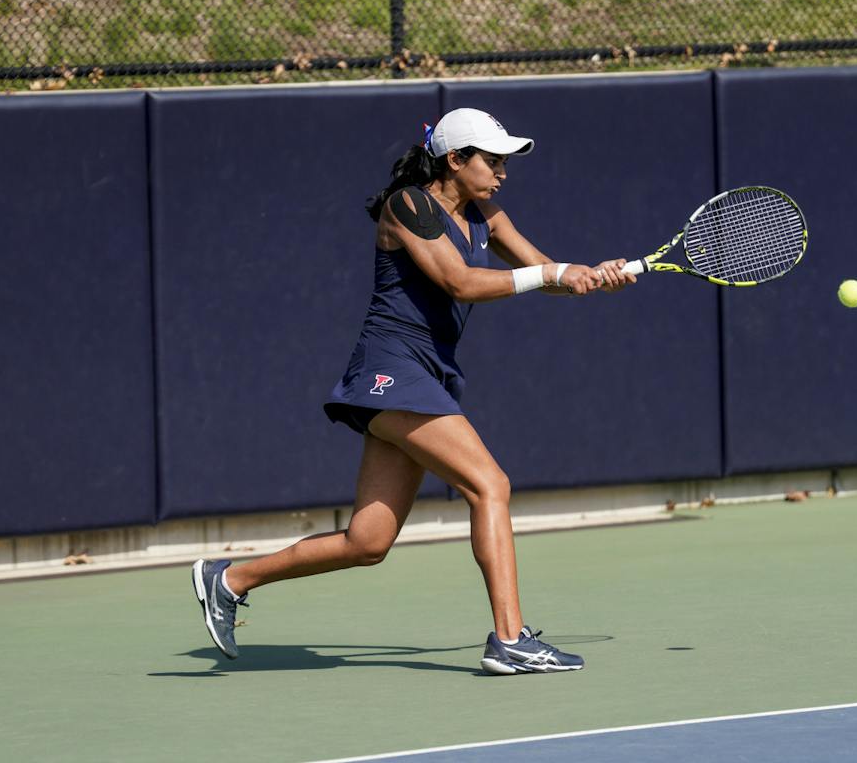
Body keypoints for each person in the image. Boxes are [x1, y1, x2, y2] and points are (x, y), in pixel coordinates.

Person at [192, 107, 634, 674]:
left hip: (428, 371)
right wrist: (553, 276)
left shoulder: (485, 213)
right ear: (455, 160)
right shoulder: (409, 205)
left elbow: (544, 270)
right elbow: (460, 282)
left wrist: (591, 274)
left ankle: (229, 579)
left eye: (504, 162)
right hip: (390, 367)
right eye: (492, 160)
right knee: (489, 484)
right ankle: (510, 638)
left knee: (367, 542)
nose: (502, 172)